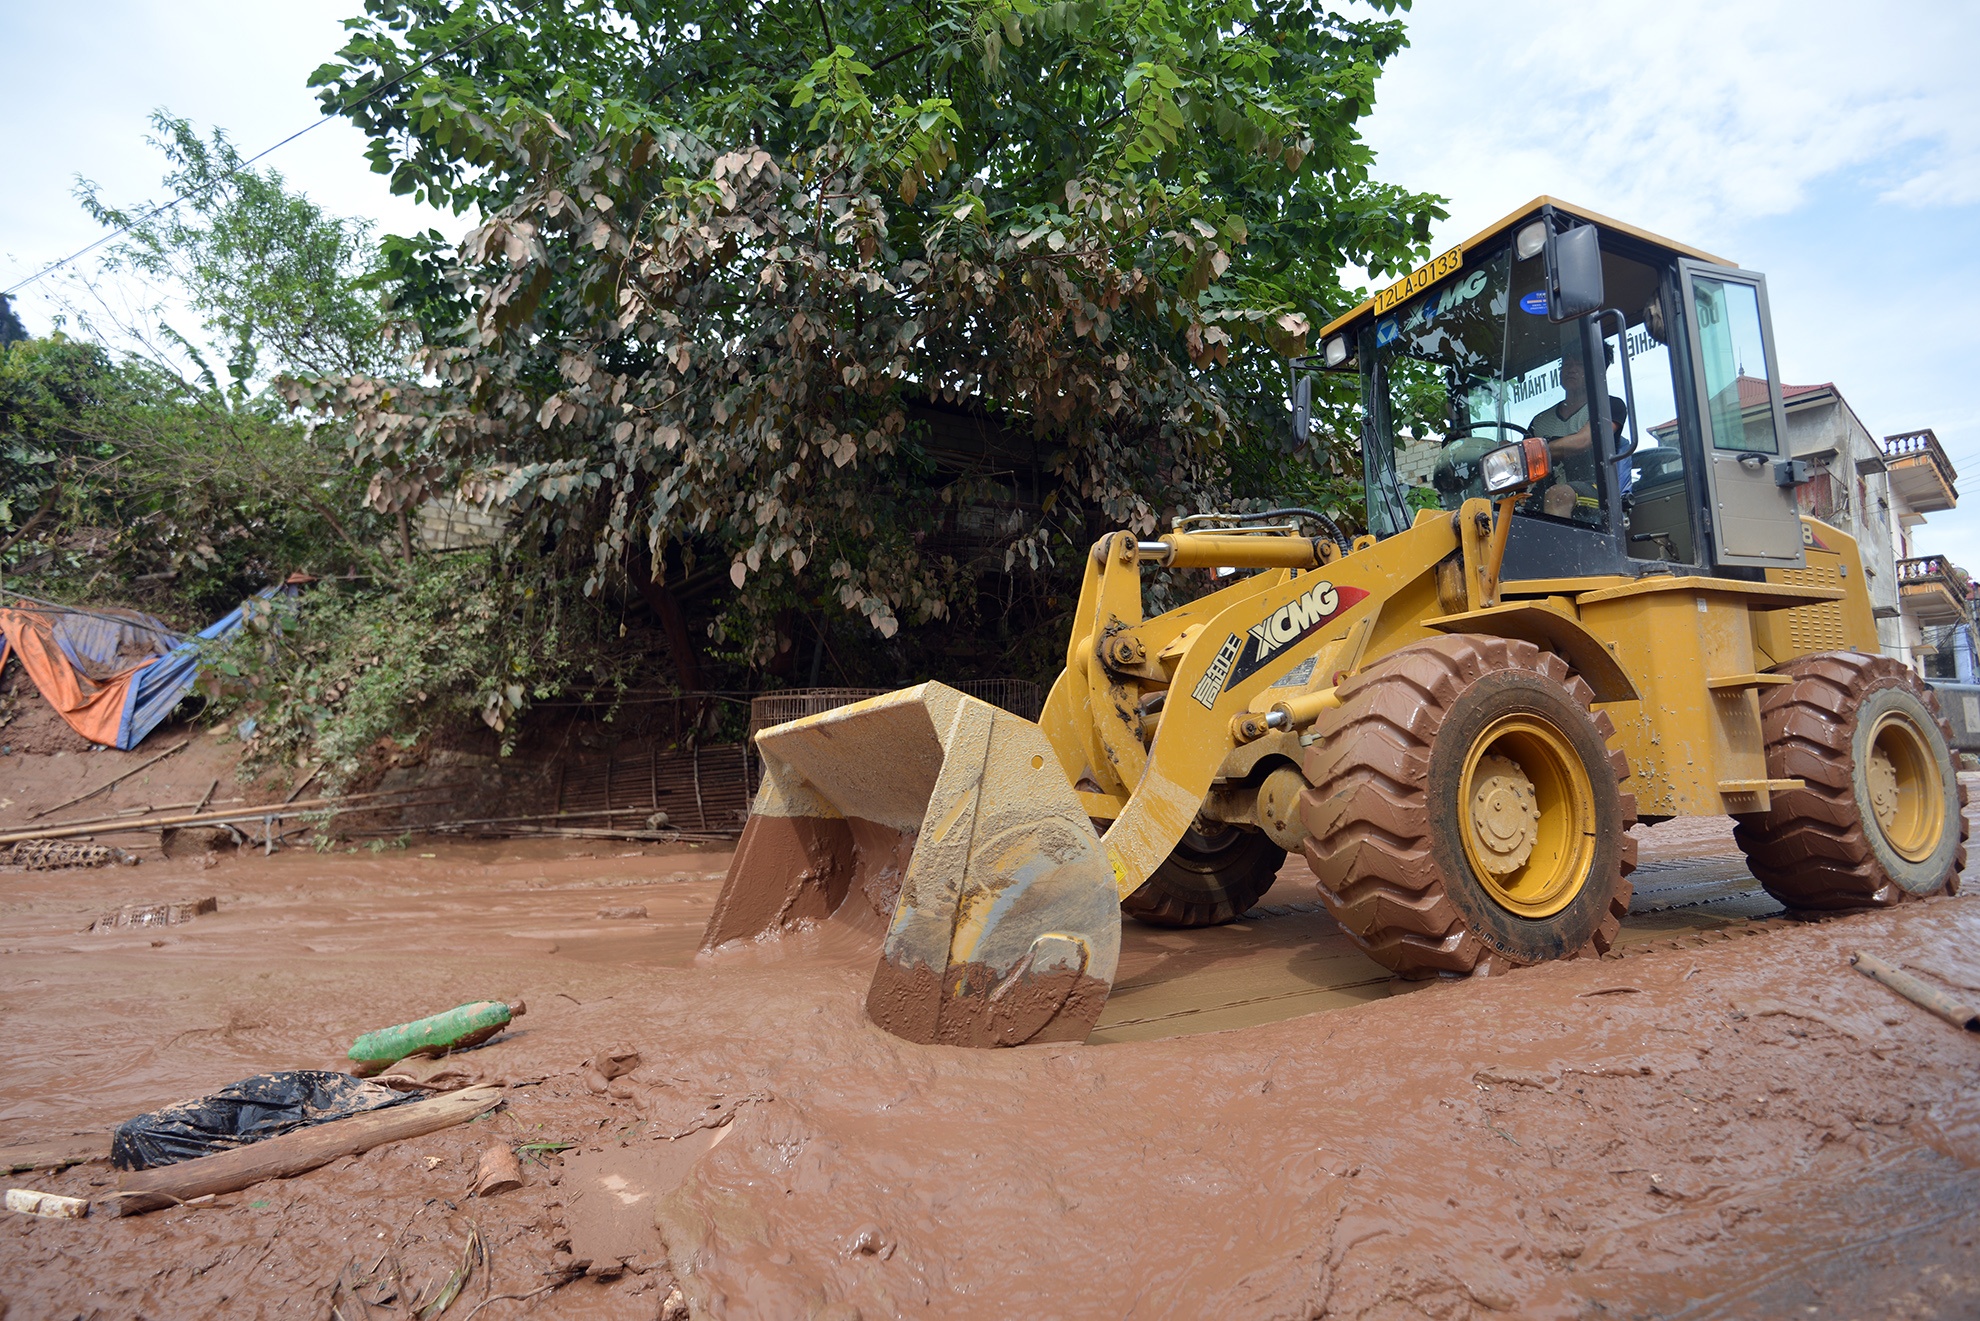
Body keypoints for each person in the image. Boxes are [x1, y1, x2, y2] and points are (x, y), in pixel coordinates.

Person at [1527, 346, 1625, 520]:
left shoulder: (1609, 406)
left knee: (1559, 495)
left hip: (1598, 491)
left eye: (1579, 364)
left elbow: (1584, 441)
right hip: (1545, 491)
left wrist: (1531, 451)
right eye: (1566, 364)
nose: (1571, 369)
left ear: (1597, 371)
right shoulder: (1540, 421)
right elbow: (1524, 461)